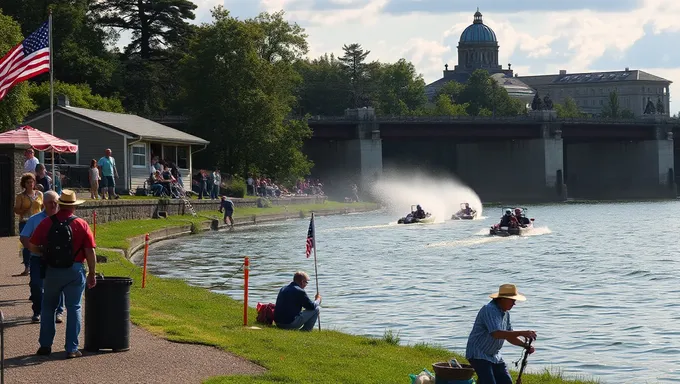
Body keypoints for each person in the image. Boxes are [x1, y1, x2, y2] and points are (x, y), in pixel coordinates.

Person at [29, 189, 97, 358]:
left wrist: (43, 253)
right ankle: (71, 348)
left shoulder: (46, 223)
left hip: (52, 270)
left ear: (59, 204)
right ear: (73, 206)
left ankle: (45, 345)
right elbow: (90, 251)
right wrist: (92, 273)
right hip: (74, 270)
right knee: (74, 307)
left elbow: (31, 244)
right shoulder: (81, 224)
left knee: (47, 307)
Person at [466, 284, 537, 384]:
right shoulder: (489, 309)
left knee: (506, 381)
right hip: (478, 353)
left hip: (494, 356)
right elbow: (496, 333)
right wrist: (522, 333)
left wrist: (525, 345)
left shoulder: (506, 314)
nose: (514, 304)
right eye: (512, 300)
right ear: (502, 299)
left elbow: (509, 336)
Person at [19, 191, 65, 323]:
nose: (53, 205)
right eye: (50, 202)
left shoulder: (64, 218)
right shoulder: (35, 219)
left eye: (55, 202)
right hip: (37, 258)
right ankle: (37, 311)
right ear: (44, 203)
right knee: (36, 285)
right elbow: (24, 237)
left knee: (58, 285)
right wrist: (35, 249)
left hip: (57, 258)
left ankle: (59, 311)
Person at [14, 173, 44, 276]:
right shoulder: (20, 196)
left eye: (32, 182)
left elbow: (43, 207)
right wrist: (25, 209)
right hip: (25, 222)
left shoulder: (39, 194)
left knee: (38, 243)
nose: (30, 184)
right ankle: (27, 267)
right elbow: (16, 210)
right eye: (28, 182)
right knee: (26, 244)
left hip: (38, 222)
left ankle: (39, 264)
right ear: (24, 184)